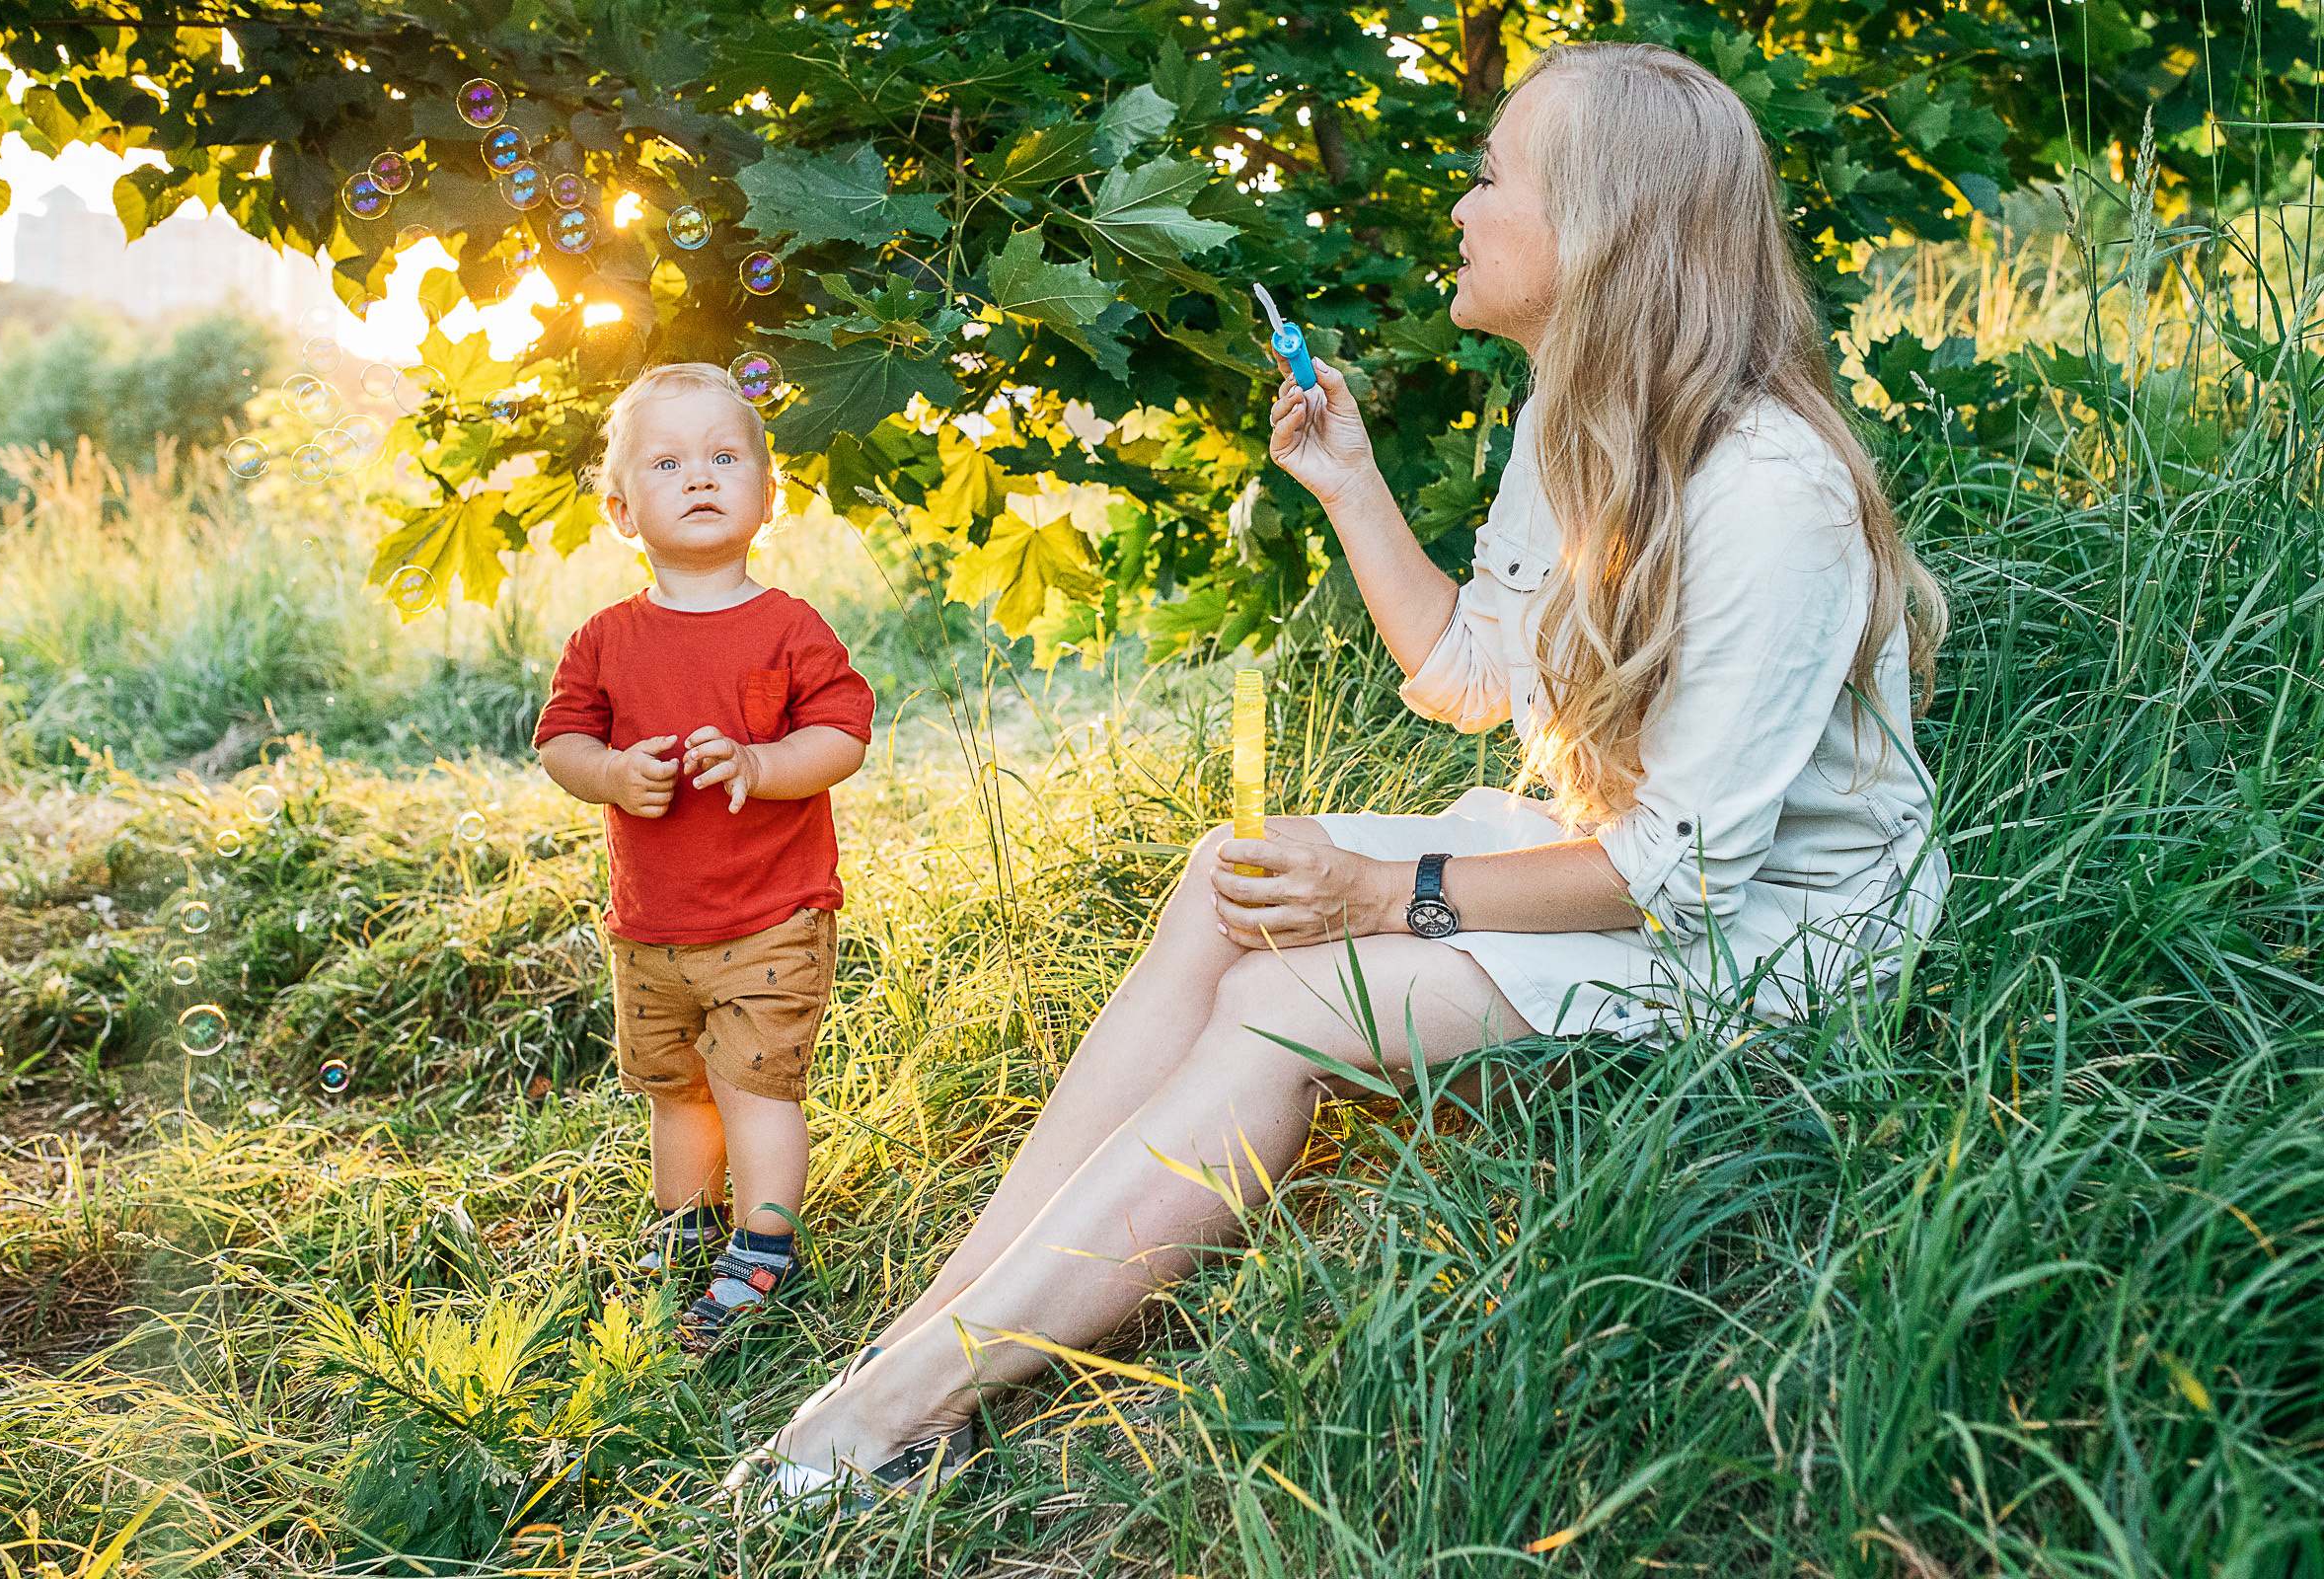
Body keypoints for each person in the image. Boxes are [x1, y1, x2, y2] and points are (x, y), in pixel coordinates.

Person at [743, 40, 1953, 1500]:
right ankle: (925, 1326)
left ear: (1600, 225)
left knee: (1284, 997)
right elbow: (1466, 676)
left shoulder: (1771, 489)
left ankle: (911, 1405)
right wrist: (1353, 485)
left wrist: (1387, 890)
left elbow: (1686, 874)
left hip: (1777, 931)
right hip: (1619, 856)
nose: (1462, 204)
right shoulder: (1569, 420)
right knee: (1232, 881)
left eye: (1493, 175)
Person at [534, 362, 876, 1352]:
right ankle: (684, 1225)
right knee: (674, 1083)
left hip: (772, 917)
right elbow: (560, 742)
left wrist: (764, 763)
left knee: (755, 1084)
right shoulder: (604, 639)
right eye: (669, 460)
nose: (699, 476)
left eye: (726, 457)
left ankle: (765, 1240)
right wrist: (608, 775)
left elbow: (843, 736)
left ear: (767, 500)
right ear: (621, 509)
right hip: (651, 928)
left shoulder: (788, 627)